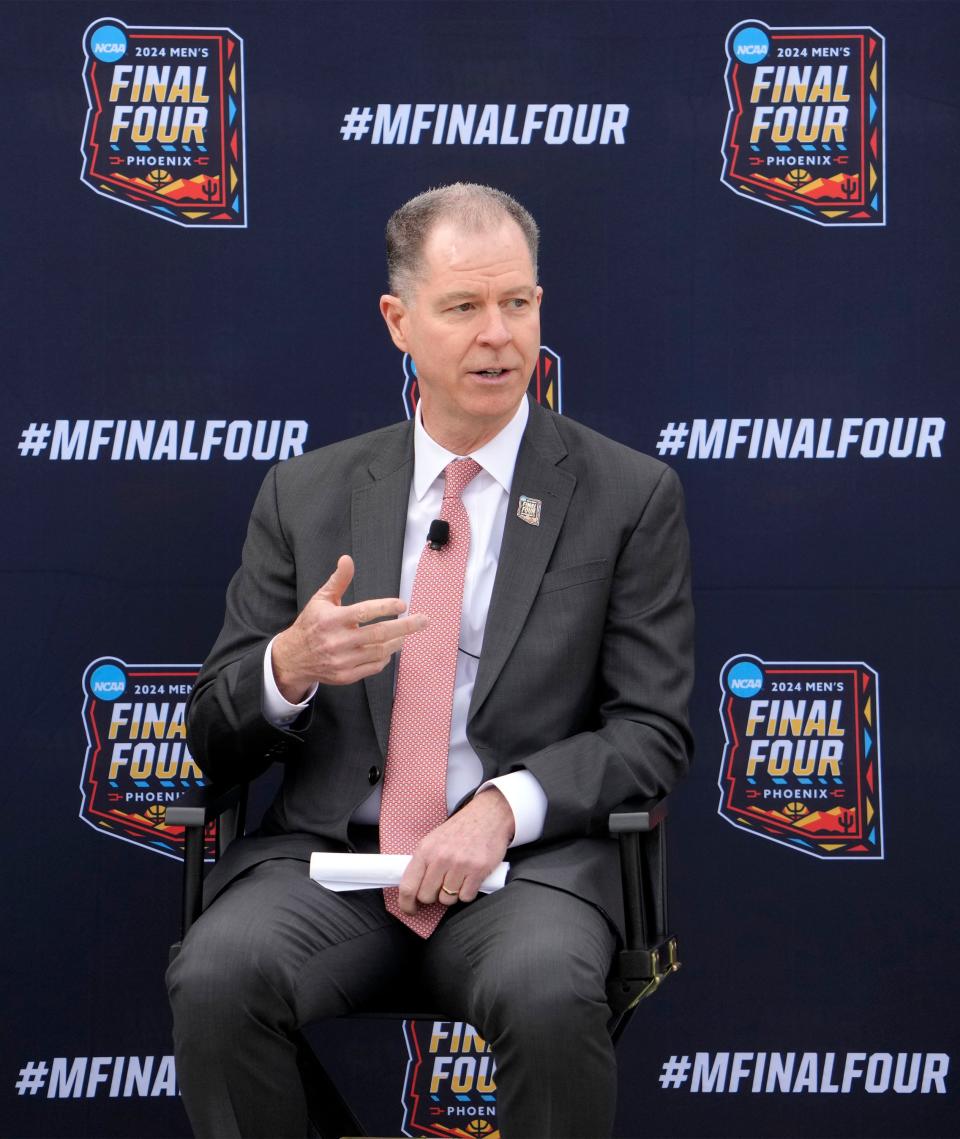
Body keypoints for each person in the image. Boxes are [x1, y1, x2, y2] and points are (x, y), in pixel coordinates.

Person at [167, 183, 694, 1139]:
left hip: (525, 875)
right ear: (398, 322)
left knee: (544, 991)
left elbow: (651, 729)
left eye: (519, 303)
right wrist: (287, 667)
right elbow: (211, 732)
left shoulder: (629, 494)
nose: (499, 335)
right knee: (217, 973)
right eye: (463, 307)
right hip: (334, 861)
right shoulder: (304, 492)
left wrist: (503, 806)